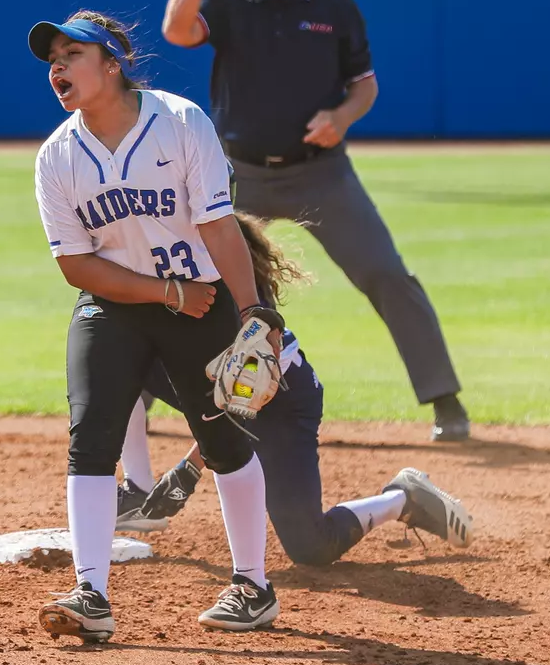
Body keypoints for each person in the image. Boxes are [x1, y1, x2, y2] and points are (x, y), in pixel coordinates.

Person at [161, 0, 473, 443]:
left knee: (386, 273)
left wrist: (343, 116)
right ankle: (139, 396)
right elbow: (177, 31)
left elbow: (365, 84)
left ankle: (445, 400)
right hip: (239, 175)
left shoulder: (333, 7)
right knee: (195, 278)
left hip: (319, 172)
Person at [29, 9, 286, 643]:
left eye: (73, 54)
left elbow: (219, 225)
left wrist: (253, 310)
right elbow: (75, 265)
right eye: (51, 58)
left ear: (111, 64)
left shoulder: (178, 122)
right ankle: (91, 592)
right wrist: (165, 293)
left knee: (224, 443)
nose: (57, 66)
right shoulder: (57, 156)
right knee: (90, 437)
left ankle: (253, 585)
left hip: (200, 301)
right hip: (119, 303)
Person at [115, 211, 473, 565]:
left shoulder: (227, 292)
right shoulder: (160, 259)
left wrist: (189, 469)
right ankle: (137, 488)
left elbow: (245, 396)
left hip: (277, 402)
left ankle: (403, 498)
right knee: (118, 349)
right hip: (223, 387)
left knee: (311, 548)